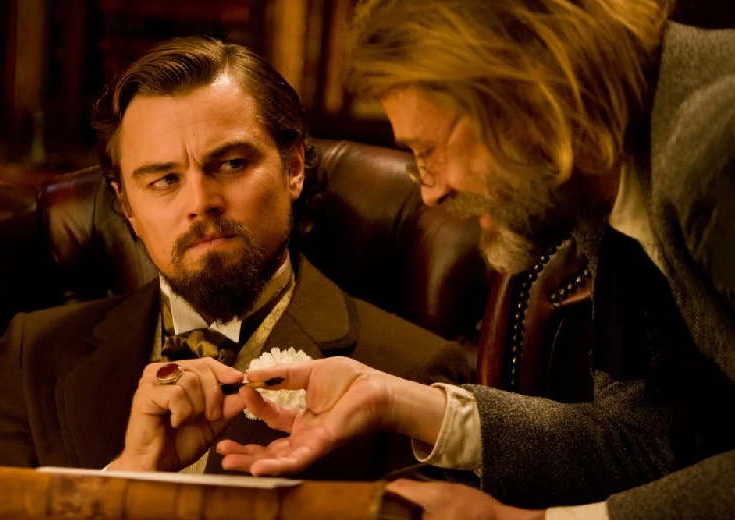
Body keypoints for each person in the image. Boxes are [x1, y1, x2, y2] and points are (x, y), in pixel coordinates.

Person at [217, 1, 735, 519]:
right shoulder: (593, 173)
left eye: (428, 151)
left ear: (522, 93)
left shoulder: (713, 150)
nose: (430, 193)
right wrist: (396, 402)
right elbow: (647, 442)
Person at [0, 35, 476, 519]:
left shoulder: (413, 375)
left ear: (294, 167)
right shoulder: (34, 354)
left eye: (230, 165)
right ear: (126, 205)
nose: (200, 202)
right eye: (164, 179)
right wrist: (125, 479)